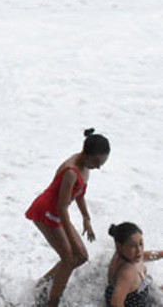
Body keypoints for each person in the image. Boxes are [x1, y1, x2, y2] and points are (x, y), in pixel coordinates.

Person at [25, 128, 111, 307]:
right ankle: (52, 301)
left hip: (57, 212)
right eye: (96, 161)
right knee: (69, 258)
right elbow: (61, 207)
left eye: (102, 162)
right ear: (86, 154)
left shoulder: (85, 165)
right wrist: (71, 237)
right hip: (47, 211)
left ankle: (43, 285)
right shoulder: (71, 171)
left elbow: (79, 193)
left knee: (81, 257)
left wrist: (86, 219)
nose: (99, 166)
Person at [106, 222, 162, 307]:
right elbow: (116, 303)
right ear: (119, 246)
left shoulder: (126, 255)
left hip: (137, 291)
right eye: (133, 246)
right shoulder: (128, 271)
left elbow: (146, 255)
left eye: (141, 243)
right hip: (135, 301)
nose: (139, 250)